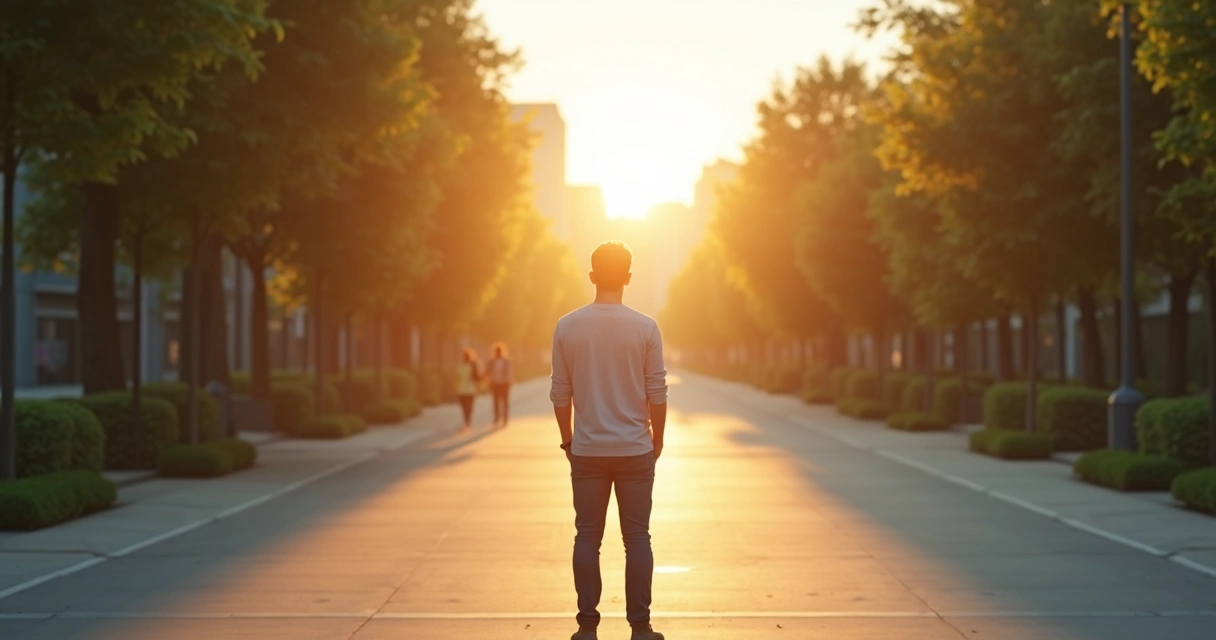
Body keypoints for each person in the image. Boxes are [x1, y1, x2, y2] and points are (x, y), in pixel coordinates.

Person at [550, 241, 668, 640]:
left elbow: (560, 393)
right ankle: (640, 627)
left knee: (587, 536)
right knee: (637, 538)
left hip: (587, 451)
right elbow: (658, 392)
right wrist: (658, 440)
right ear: (629, 278)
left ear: (593, 276)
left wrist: (569, 442)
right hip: (636, 448)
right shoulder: (645, 327)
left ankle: (586, 628)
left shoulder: (567, 326)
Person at [487, 342, 514, 428]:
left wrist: (509, 382)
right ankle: (496, 418)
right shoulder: (492, 361)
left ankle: (504, 419)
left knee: (505, 402)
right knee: (495, 402)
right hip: (495, 384)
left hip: (504, 384)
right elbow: (488, 371)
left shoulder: (506, 360)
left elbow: (509, 372)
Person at [454, 348, 482, 431]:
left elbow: (477, 377)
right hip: (463, 390)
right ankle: (466, 423)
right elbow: (457, 377)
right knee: (464, 408)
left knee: (468, 408)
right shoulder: (461, 365)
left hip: (469, 390)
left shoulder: (473, 365)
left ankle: (467, 423)